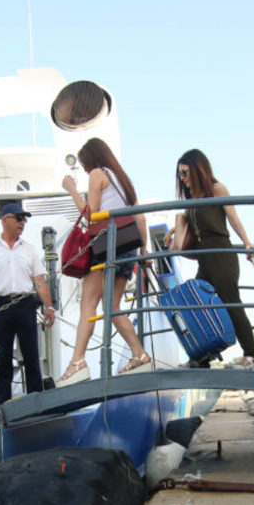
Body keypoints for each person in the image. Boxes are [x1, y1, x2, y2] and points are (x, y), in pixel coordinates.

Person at [57, 138, 151, 385]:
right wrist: (144, 250)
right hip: (127, 246)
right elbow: (139, 217)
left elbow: (92, 216)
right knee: (113, 306)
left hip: (107, 246)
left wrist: (72, 190)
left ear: (91, 158)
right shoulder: (123, 178)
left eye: (85, 163)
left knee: (88, 305)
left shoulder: (98, 173)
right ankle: (139, 354)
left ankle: (77, 362)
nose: (87, 168)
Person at [163, 148, 254, 367]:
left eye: (186, 172)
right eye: (180, 174)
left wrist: (246, 242)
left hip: (220, 252)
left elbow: (233, 218)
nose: (183, 178)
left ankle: (252, 354)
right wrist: (171, 230)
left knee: (230, 302)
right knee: (196, 303)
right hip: (204, 256)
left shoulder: (217, 189)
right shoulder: (192, 199)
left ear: (198, 170)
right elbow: (189, 226)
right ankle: (201, 356)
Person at [0, 203, 56, 405]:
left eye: (24, 219)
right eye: (18, 218)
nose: (22, 223)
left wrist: (49, 306)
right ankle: (4, 405)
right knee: (3, 358)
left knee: (31, 356)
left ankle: (36, 402)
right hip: (0, 306)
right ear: (4, 219)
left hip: (25, 304)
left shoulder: (29, 250)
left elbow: (40, 280)